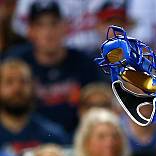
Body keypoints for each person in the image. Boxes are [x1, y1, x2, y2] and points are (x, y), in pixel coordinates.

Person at [5, 0, 102, 134]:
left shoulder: (84, 63)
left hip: (77, 140)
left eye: (54, 24)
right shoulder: (17, 62)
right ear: (30, 31)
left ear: (65, 27)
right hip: (28, 139)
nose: (48, 32)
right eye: (40, 25)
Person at [0, 58, 69, 155]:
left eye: (23, 81)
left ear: (33, 86)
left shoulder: (53, 136)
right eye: (9, 82)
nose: (17, 88)